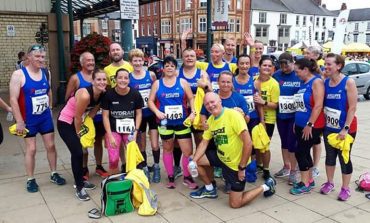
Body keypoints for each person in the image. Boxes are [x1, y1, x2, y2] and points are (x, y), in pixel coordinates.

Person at [189, 92, 276, 208]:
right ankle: (209, 189)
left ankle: (266, 186)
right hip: (221, 157)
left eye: (212, 102)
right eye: (207, 104)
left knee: (235, 204)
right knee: (196, 161)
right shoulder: (211, 120)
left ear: (220, 101)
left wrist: (242, 167)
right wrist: (193, 161)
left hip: (236, 165)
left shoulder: (233, 115)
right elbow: (204, 142)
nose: (210, 105)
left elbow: (248, 143)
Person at [9, 44, 66, 193]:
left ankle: (53, 173)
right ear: (29, 57)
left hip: (44, 117)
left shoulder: (46, 72)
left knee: (51, 146)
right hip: (28, 120)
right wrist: (19, 120)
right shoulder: (19, 75)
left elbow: (48, 91)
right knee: (32, 149)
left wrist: (50, 108)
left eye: (42, 56)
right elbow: (13, 99)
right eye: (37, 56)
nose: (41, 59)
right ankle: (30, 179)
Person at [148, 56, 197, 189]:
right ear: (163, 68)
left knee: (187, 151)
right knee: (168, 149)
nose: (169, 68)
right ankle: (170, 176)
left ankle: (187, 176)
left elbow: (191, 98)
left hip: (182, 121)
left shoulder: (182, 82)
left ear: (176, 69)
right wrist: (157, 112)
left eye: (172, 66)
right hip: (164, 122)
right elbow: (150, 101)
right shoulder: (157, 83)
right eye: (167, 65)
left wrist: (193, 112)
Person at [58, 69, 106, 201]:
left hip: (79, 121)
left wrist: (87, 126)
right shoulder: (85, 95)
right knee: (78, 152)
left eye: (104, 79)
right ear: (92, 81)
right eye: (98, 80)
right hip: (66, 122)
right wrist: (79, 134)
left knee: (82, 152)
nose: (102, 82)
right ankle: (79, 186)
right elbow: (77, 117)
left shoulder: (102, 94)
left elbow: (92, 113)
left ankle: (80, 180)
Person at [65, 52, 109, 179]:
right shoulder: (76, 78)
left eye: (92, 60)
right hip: (80, 116)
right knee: (83, 143)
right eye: (88, 60)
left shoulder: (99, 76)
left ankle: (99, 166)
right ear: (82, 63)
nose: (91, 62)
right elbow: (68, 97)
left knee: (97, 142)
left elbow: (103, 95)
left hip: (96, 115)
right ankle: (84, 168)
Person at [320, 53, 357, 201]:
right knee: (330, 157)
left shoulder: (349, 82)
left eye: (329, 64)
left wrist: (345, 129)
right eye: (325, 64)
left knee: (344, 158)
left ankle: (345, 188)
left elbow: (353, 108)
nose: (326, 67)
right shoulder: (325, 82)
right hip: (329, 127)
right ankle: (329, 183)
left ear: (339, 66)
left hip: (346, 128)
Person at [290, 58, 325, 195]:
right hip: (300, 124)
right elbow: (300, 106)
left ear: (305, 69)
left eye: (298, 71)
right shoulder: (303, 83)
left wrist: (310, 124)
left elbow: (318, 105)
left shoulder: (316, 82)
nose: (296, 74)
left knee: (300, 152)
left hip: (312, 125)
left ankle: (304, 183)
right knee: (304, 152)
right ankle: (309, 180)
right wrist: (295, 122)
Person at [102, 68, 144, 174]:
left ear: (129, 80)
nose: (123, 80)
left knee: (132, 157)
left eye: (126, 78)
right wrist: (109, 135)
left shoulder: (135, 94)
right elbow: (105, 116)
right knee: (113, 159)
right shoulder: (108, 95)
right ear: (115, 79)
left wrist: (136, 131)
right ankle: (115, 183)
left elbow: (139, 114)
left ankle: (132, 180)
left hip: (130, 130)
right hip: (113, 130)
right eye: (120, 77)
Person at [128, 49, 160, 183]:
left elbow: (157, 90)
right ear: (131, 62)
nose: (137, 63)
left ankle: (157, 167)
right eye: (135, 60)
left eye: (140, 60)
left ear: (144, 61)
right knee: (141, 144)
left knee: (154, 144)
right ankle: (144, 167)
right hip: (138, 115)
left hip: (151, 113)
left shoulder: (151, 75)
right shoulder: (129, 77)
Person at [272, 52, 301, 185]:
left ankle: (294, 171)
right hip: (281, 114)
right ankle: (286, 166)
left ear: (292, 62)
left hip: (294, 115)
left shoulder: (298, 74)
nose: (284, 68)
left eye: (286, 65)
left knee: (292, 143)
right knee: (284, 141)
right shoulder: (277, 75)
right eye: (282, 65)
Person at [253, 57, 280, 180]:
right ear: (259, 67)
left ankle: (266, 169)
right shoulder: (253, 81)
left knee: (264, 145)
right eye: (264, 65)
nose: (267, 68)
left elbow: (275, 104)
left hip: (268, 119)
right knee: (255, 144)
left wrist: (263, 102)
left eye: (270, 66)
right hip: (254, 117)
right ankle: (258, 165)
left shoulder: (274, 83)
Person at [303, 45, 324, 179]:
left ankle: (314, 166)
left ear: (316, 56)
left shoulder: (319, 74)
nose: (305, 55)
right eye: (304, 53)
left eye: (308, 53)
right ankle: (308, 167)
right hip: (304, 112)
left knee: (316, 141)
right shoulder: (305, 69)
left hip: (316, 115)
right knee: (307, 143)